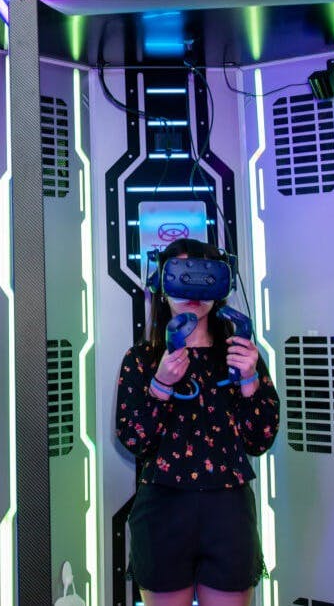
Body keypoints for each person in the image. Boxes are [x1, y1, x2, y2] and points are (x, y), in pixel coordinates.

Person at [115, 238, 280, 606]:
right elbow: (133, 439)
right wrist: (160, 385)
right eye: (181, 274)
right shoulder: (141, 359)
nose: (192, 288)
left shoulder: (241, 355)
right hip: (163, 509)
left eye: (203, 276)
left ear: (221, 284)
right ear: (161, 283)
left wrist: (250, 379)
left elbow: (260, 439)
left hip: (228, 510)